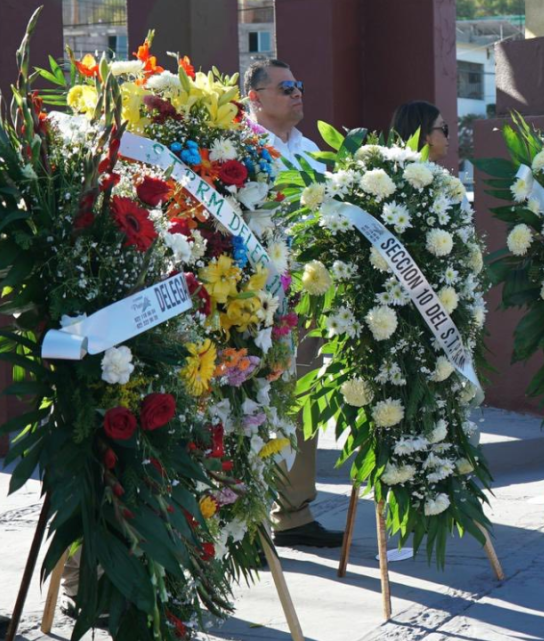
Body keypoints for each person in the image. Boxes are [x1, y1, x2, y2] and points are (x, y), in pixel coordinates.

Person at [244, 58, 341, 547]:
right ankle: (244, 521)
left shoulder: (310, 152)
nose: (298, 92)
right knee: (247, 405)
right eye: (286, 87)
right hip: (248, 300)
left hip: (302, 298)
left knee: (301, 401)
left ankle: (294, 513)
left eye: (299, 84)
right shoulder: (237, 145)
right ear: (255, 97)